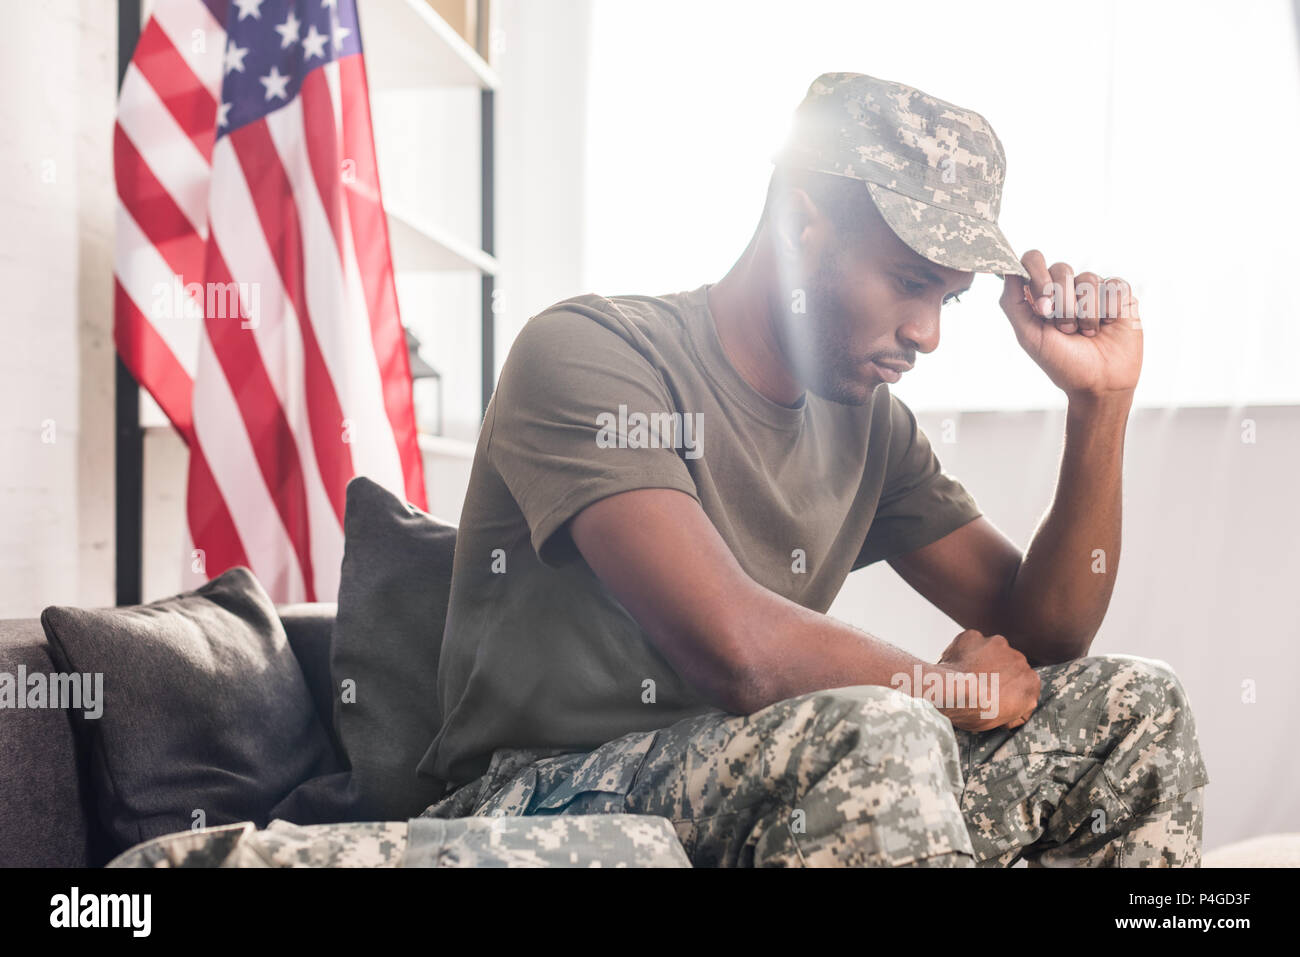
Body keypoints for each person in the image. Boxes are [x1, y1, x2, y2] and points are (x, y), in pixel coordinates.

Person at [411, 70, 1207, 868]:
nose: (928, 333)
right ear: (800, 225)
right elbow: (737, 647)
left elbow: (1045, 633)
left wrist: (1100, 404)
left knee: (1135, 703)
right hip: (532, 800)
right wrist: (947, 689)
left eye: (950, 300)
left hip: (759, 769)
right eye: (909, 283)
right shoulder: (592, 353)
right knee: (887, 725)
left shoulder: (868, 425)